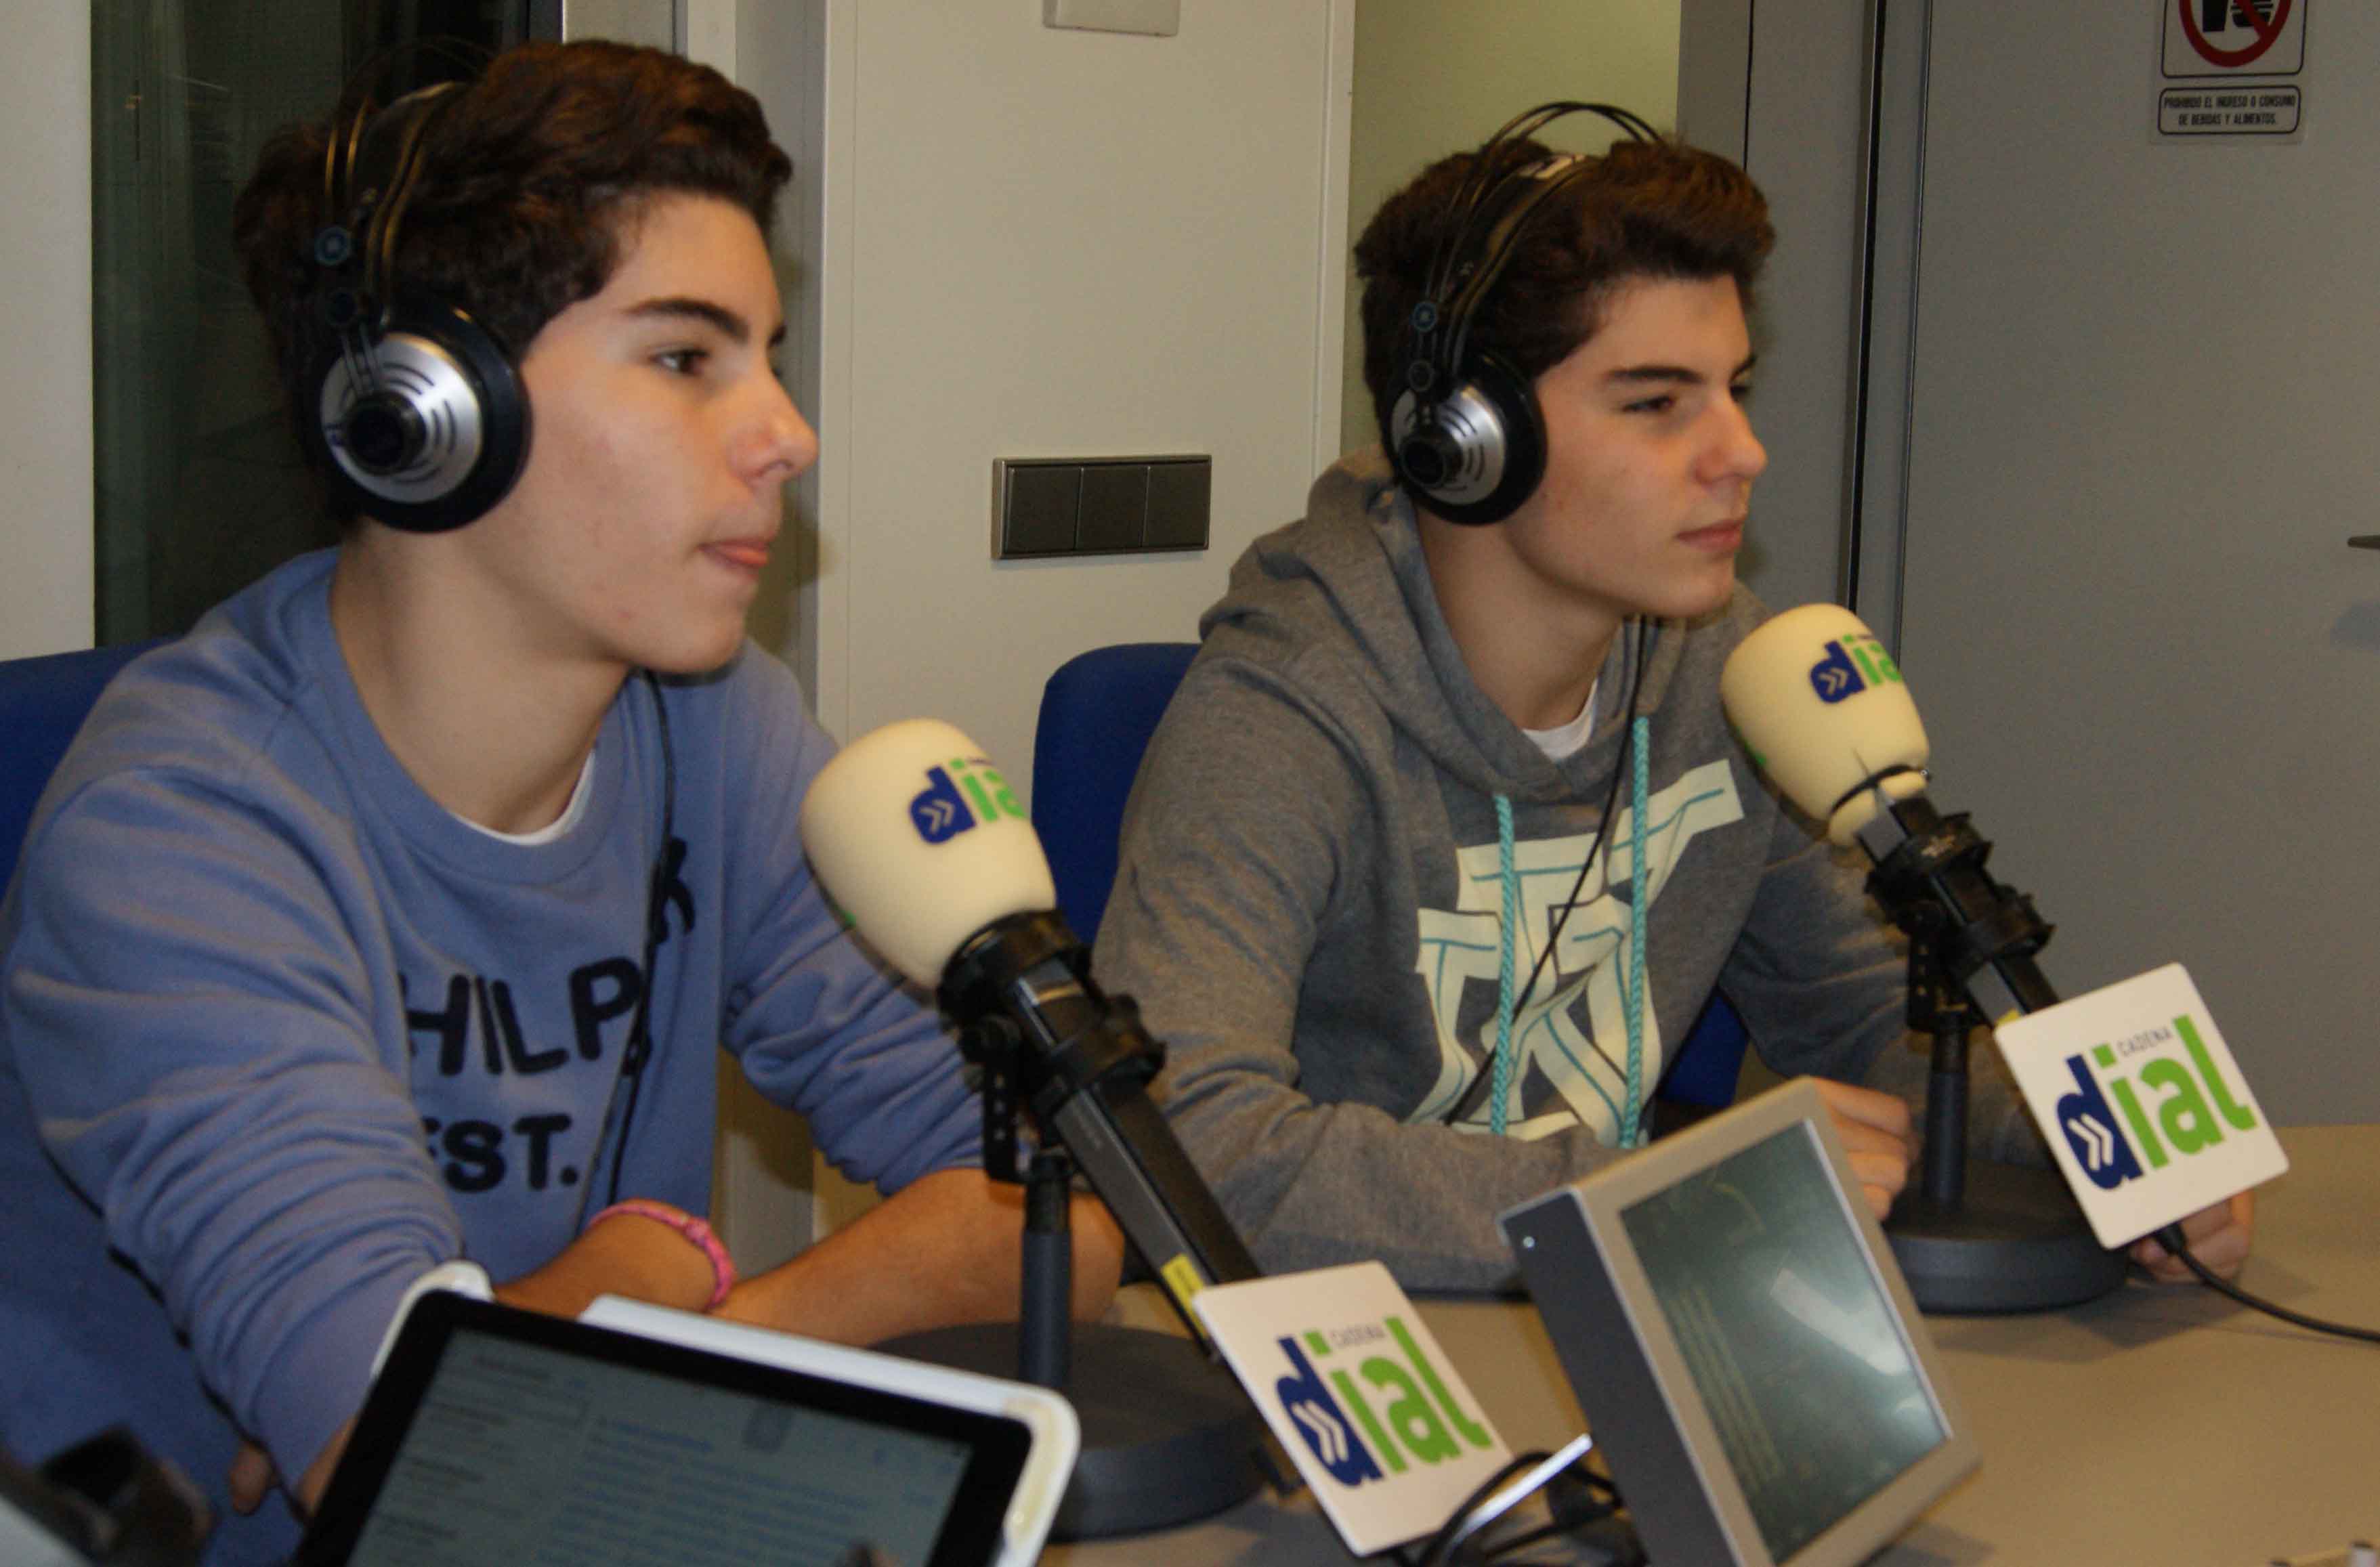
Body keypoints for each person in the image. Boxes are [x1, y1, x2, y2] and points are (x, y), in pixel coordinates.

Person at [0, 41, 1119, 1564]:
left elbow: (1062, 1216)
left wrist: (677, 1289)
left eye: (767, 353)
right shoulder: (179, 836)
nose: (786, 432)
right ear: (422, 415)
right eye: (685, 358)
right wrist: (602, 1309)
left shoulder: (713, 727)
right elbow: (423, 1475)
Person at [1092, 107, 2252, 1291]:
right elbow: (1183, 1146)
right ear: (1463, 441)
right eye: (1656, 402)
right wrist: (1647, 1194)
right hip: (1366, 1347)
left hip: (1642, 1316)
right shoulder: (1282, 712)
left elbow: (1865, 1018)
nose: (1741, 451)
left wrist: (2095, 1138)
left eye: (1733, 388)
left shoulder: (1729, 669)